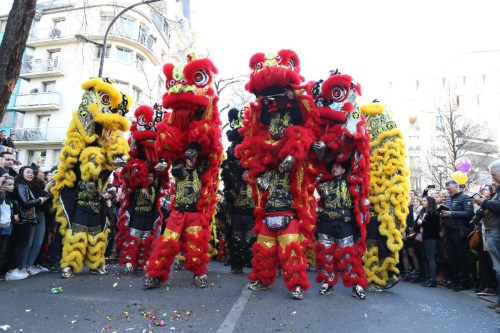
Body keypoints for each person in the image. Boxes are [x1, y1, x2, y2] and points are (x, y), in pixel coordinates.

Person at [144, 143, 211, 289]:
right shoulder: (178, 170)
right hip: (178, 214)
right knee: (167, 243)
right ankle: (155, 275)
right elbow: (172, 162)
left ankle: (199, 274)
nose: (191, 159)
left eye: (194, 157)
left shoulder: (200, 171)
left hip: (194, 215)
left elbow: (210, 156)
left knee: (195, 246)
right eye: (189, 156)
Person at [315, 162, 367, 299]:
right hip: (326, 221)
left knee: (349, 254)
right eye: (333, 166)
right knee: (325, 252)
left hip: (344, 222)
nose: (334, 168)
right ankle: (328, 282)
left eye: (337, 166)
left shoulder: (351, 185)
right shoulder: (323, 185)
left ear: (344, 170)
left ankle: (356, 284)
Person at [6, 166, 48, 280]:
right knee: (21, 245)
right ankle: (12, 270)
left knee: (22, 244)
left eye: (31, 173)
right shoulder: (22, 186)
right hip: (24, 219)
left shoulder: (25, 186)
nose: (30, 174)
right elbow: (26, 202)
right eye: (27, 172)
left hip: (25, 219)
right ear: (21, 174)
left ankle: (15, 269)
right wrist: (40, 200)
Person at [473, 161, 500, 313]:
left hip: (496, 231)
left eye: (493, 175)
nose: (492, 179)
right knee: (497, 269)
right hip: (492, 231)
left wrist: (485, 202)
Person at [440, 179, 474, 291]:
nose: (448, 192)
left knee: (462, 258)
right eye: (447, 190)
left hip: (460, 231)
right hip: (450, 231)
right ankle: (455, 280)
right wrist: (443, 214)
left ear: (456, 186)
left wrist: (451, 213)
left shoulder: (464, 197)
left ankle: (464, 282)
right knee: (452, 257)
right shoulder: (449, 198)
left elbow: (469, 213)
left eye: (449, 189)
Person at [473, 185, 497, 297]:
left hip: (491, 234)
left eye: (486, 189)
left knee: (492, 263)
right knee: (484, 262)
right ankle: (487, 285)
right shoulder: (481, 203)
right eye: (482, 189)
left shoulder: (492, 202)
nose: (483, 191)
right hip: (482, 235)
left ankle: (492, 286)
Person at [416, 196, 440, 287]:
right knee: (425, 258)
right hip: (423, 237)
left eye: (425, 201)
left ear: (429, 202)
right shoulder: (423, 212)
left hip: (431, 238)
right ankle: (428, 277)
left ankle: (432, 279)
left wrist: (422, 222)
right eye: (422, 200)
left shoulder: (434, 213)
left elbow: (434, 227)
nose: (423, 202)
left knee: (430, 258)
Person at [0, 175, 16, 280]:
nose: (12, 186)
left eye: (13, 184)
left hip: (6, 227)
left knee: (3, 251)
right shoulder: (2, 195)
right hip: (3, 227)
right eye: (9, 184)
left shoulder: (9, 196)